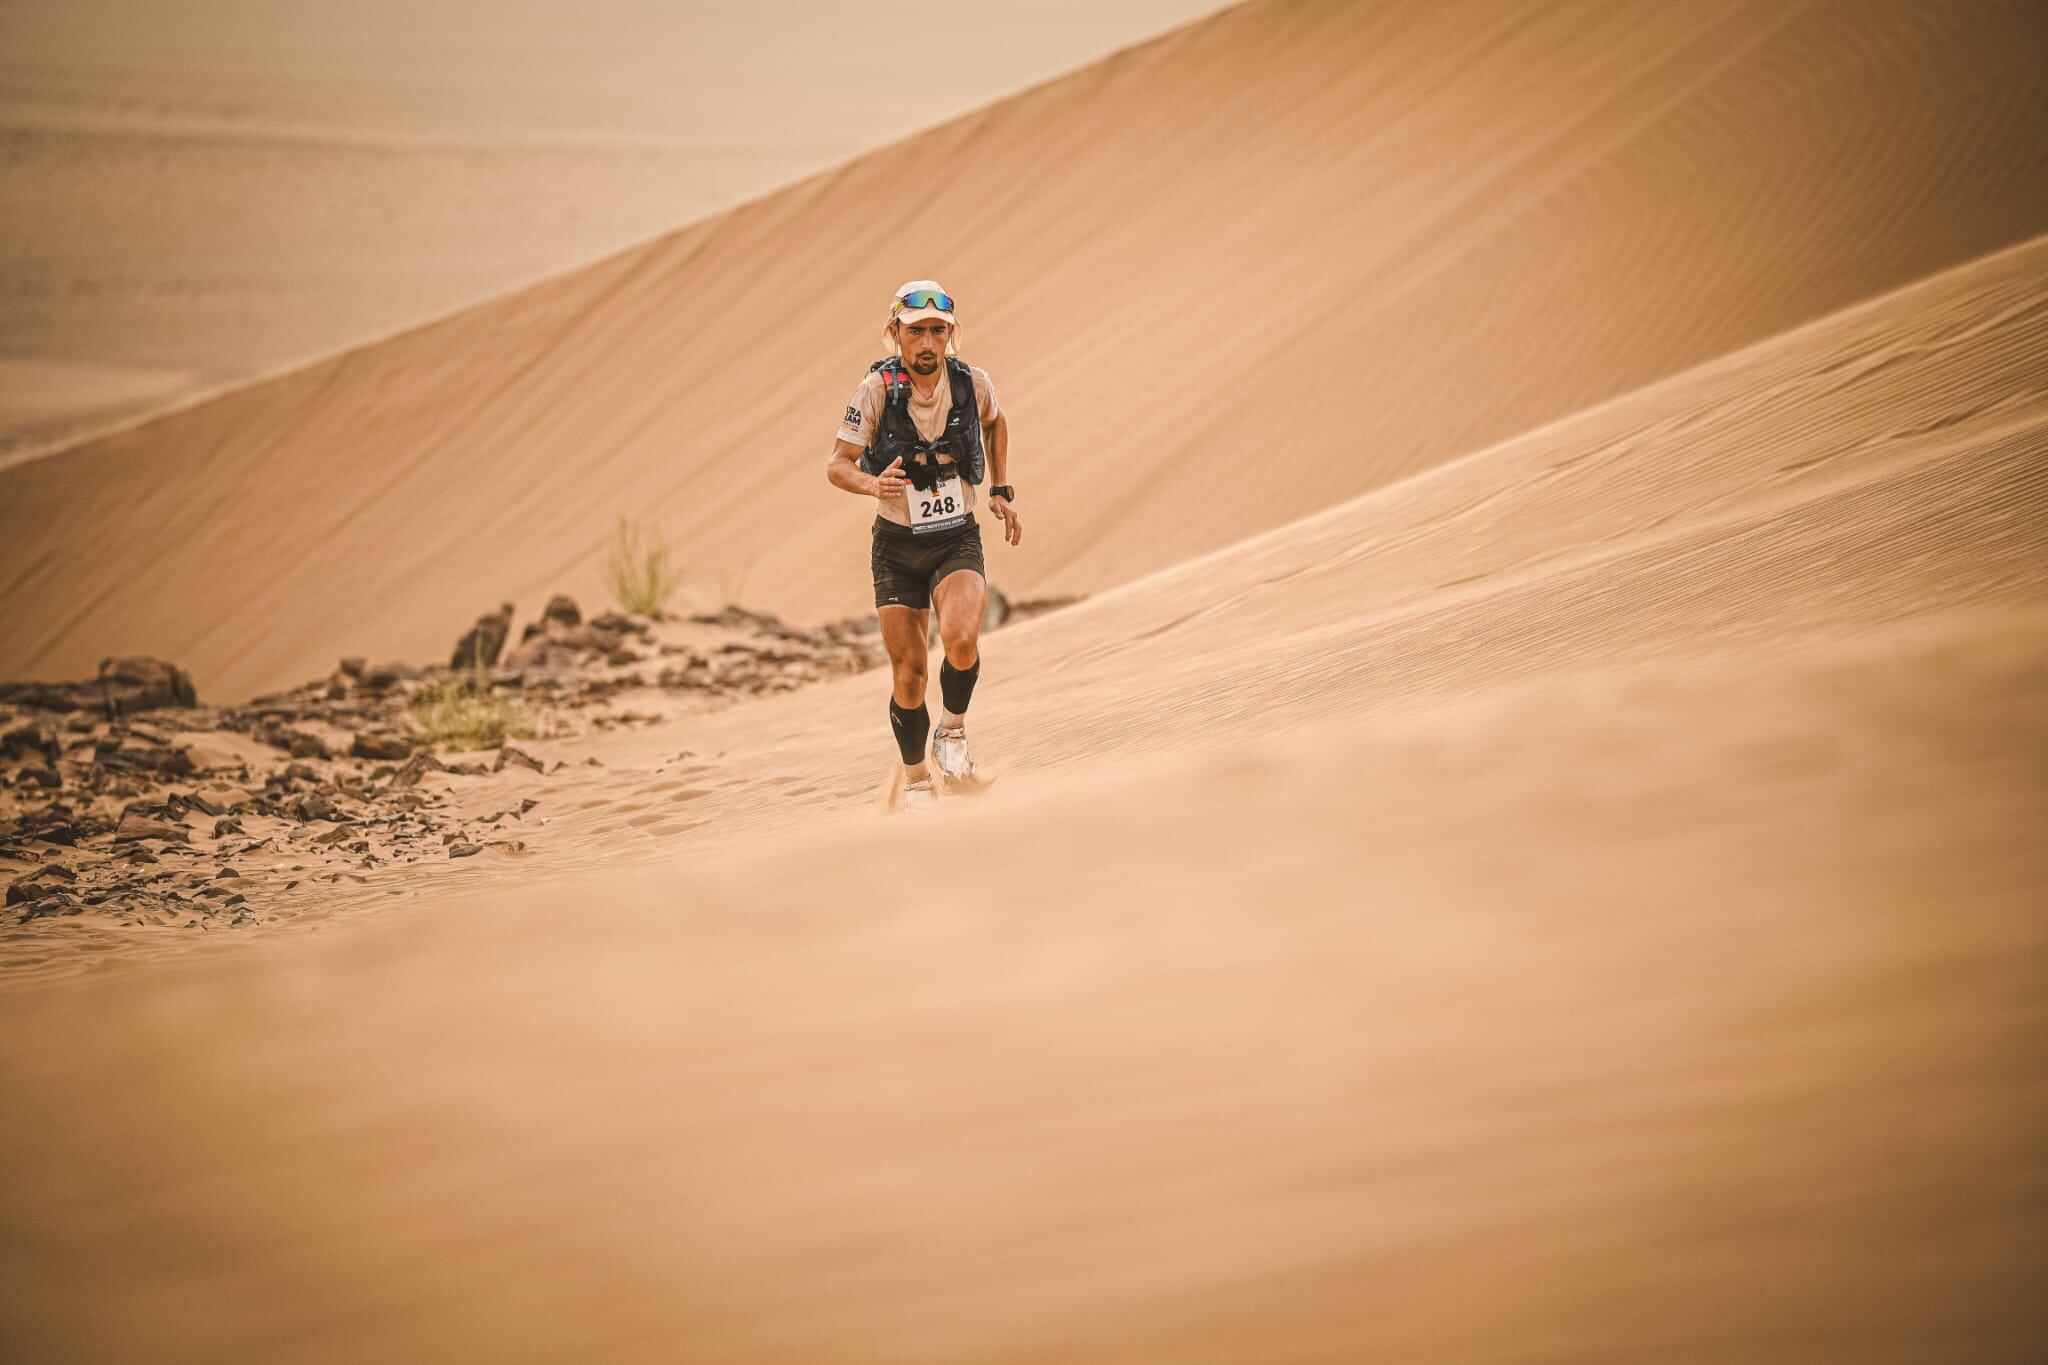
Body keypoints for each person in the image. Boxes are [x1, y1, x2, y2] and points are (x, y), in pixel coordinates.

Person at [826, 281, 1020, 810]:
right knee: (908, 675)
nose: (928, 342)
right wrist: (872, 484)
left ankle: (952, 735)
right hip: (897, 545)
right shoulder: (874, 391)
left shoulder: (971, 383)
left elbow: (996, 422)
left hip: (956, 535)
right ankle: (915, 781)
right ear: (896, 334)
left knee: (960, 639)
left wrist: (1001, 489)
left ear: (951, 335)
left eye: (938, 331)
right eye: (916, 332)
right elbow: (837, 464)